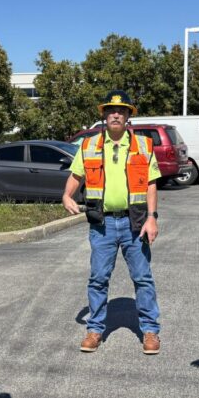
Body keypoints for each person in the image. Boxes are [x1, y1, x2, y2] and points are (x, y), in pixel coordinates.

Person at [62, 90, 162, 354]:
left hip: (135, 224)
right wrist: (66, 195)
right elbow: (76, 175)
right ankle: (95, 330)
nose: (116, 115)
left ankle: (150, 331)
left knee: (142, 278)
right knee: (98, 278)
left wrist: (152, 218)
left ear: (128, 116)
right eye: (111, 110)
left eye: (121, 111)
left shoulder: (143, 145)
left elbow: (151, 184)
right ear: (104, 115)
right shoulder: (89, 145)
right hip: (102, 225)